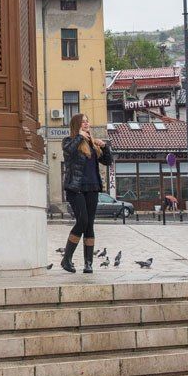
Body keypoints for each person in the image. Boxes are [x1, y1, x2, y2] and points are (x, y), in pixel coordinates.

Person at [60, 113, 113, 274]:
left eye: (87, 121)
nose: (86, 124)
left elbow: (108, 161)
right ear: (76, 125)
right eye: (83, 122)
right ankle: (66, 259)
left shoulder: (92, 144)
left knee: (89, 224)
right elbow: (69, 151)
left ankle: (88, 263)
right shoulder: (69, 141)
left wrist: (104, 146)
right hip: (76, 188)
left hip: (93, 188)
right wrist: (79, 137)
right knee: (82, 221)